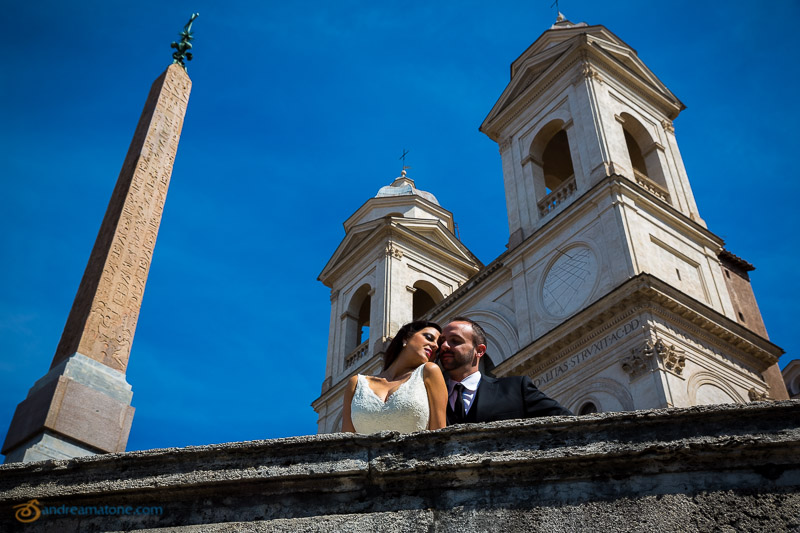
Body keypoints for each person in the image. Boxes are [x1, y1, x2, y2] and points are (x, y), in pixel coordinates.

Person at [438, 317, 572, 424]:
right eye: (442, 341)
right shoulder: (430, 397)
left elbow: (568, 422)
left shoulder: (516, 388)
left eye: (455, 341)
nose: (444, 346)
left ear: (479, 351)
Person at [342, 320, 448, 433]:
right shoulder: (356, 383)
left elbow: (439, 436)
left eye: (438, 345)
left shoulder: (429, 372)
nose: (435, 346)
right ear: (406, 338)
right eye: (429, 337)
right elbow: (345, 442)